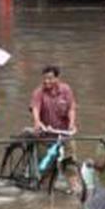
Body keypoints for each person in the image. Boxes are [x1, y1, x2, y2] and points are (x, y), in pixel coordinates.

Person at [29, 65, 80, 195]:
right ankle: (45, 192)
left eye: (50, 78)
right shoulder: (38, 92)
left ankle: (74, 188)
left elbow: (71, 109)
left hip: (64, 134)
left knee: (70, 164)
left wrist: (72, 123)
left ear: (57, 78)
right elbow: (35, 108)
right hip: (45, 134)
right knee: (47, 169)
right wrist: (37, 122)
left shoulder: (66, 90)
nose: (47, 81)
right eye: (45, 78)